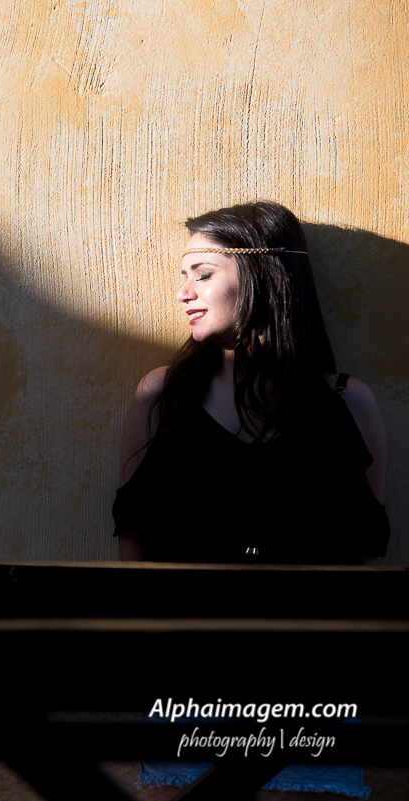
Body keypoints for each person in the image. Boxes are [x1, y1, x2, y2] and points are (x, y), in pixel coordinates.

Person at [113, 201, 389, 800]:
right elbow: (131, 539)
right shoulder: (161, 395)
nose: (184, 292)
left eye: (203, 273)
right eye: (183, 274)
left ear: (265, 276)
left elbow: (365, 556)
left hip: (311, 687)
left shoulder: (348, 403)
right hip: (189, 678)